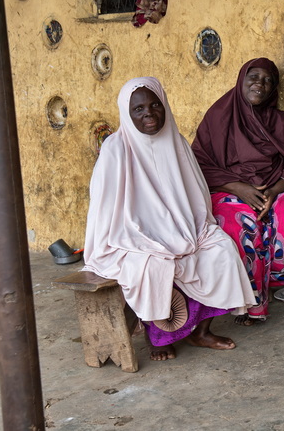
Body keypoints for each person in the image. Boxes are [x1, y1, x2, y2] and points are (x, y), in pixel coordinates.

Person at [84, 77, 255, 361]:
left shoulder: (176, 144)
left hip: (182, 229)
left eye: (155, 105)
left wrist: (186, 231)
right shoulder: (115, 151)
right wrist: (149, 237)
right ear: (127, 114)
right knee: (153, 264)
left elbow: (196, 198)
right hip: (131, 236)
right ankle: (159, 338)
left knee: (220, 248)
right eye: (138, 109)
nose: (148, 113)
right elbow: (107, 214)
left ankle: (201, 331)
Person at [192, 58, 284, 332]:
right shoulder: (218, 117)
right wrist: (238, 188)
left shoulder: (281, 122)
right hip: (229, 189)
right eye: (254, 77)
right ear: (241, 79)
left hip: (275, 187)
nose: (260, 84)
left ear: (273, 89)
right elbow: (199, 164)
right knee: (240, 221)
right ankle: (251, 303)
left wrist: (273, 191)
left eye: (268, 80)